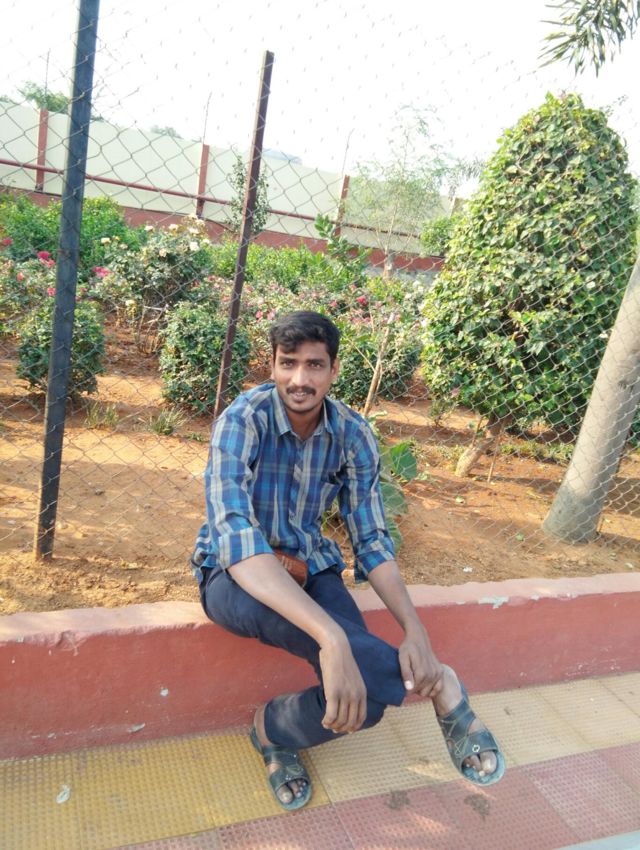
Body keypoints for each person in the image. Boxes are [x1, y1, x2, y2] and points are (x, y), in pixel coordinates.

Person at [192, 310, 505, 811]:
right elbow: (236, 537)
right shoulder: (242, 420)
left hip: (310, 567)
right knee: (346, 658)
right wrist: (331, 638)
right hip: (235, 577)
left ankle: (273, 728)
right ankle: (442, 684)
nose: (299, 379)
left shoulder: (353, 434)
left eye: (314, 365)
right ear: (272, 365)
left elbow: (372, 539)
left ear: (334, 369)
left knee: (369, 700)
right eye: (288, 363)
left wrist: (415, 631)